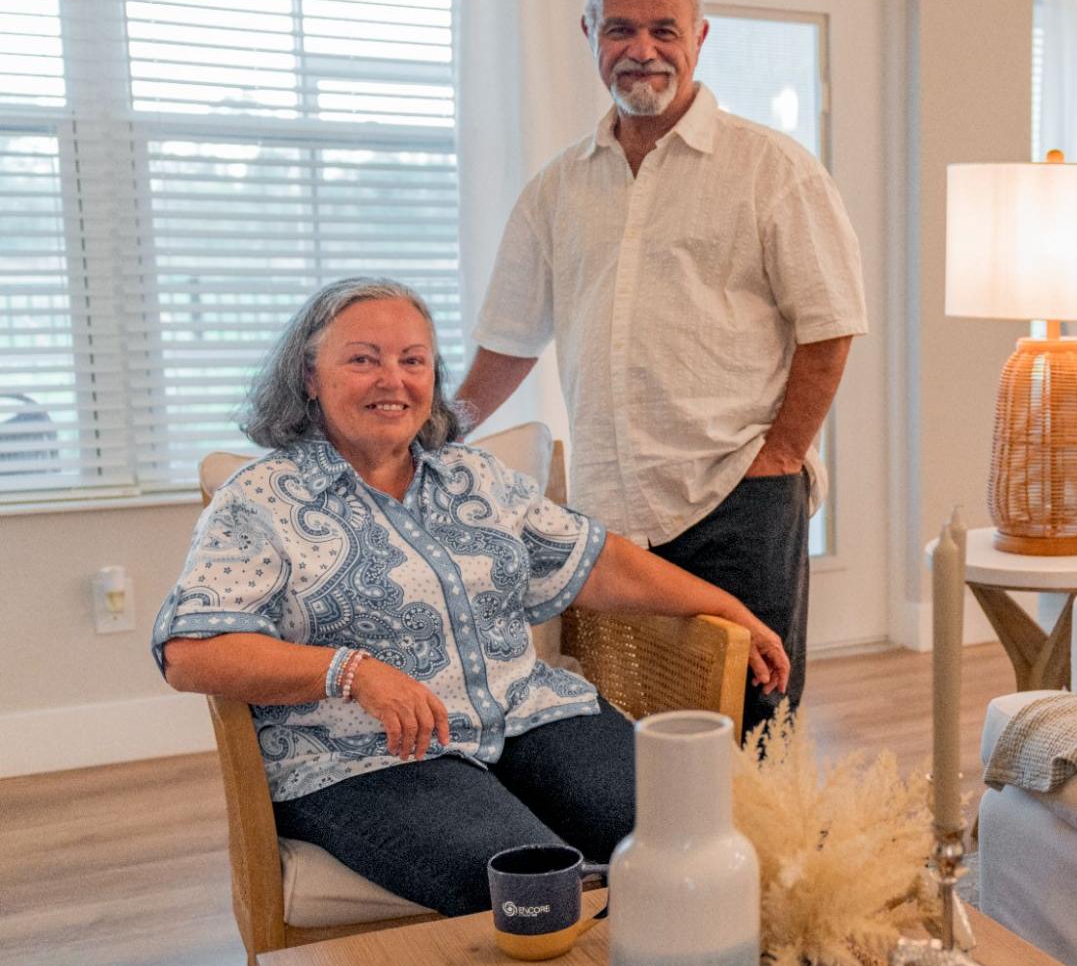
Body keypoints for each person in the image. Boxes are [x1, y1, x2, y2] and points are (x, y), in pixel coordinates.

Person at [155, 278, 790, 916]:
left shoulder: (472, 475)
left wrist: (731, 609)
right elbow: (191, 652)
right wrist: (352, 671)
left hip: (531, 716)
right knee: (540, 894)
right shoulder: (260, 499)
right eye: (362, 359)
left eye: (413, 360)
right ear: (310, 376)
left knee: (698, 841)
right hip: (365, 755)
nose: (392, 380)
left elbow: (598, 562)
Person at [453, 0, 867, 731]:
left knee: (753, 725)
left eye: (662, 29)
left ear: (700, 36)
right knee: (628, 722)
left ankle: (766, 858)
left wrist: (777, 456)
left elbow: (830, 326)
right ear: (588, 34)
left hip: (736, 495)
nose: (641, 49)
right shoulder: (556, 187)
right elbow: (508, 340)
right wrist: (432, 435)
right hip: (609, 514)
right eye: (619, 28)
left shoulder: (772, 169)